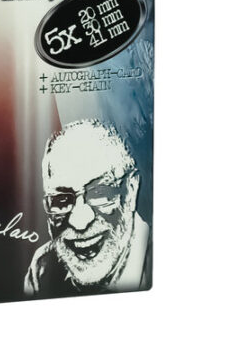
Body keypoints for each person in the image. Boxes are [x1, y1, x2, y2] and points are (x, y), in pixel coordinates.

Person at [24, 119, 150, 296]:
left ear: (131, 190)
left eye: (99, 192)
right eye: (61, 200)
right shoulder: (43, 268)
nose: (80, 222)